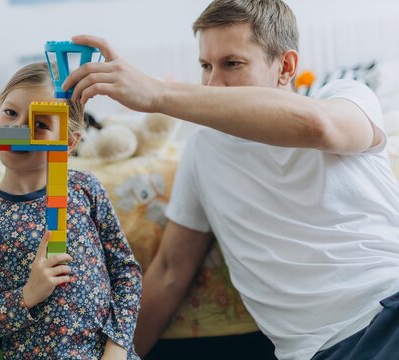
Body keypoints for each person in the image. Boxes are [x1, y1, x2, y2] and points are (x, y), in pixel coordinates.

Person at [62, 0, 399, 359]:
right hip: (319, 352)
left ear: (286, 67)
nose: (211, 83)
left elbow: (320, 127)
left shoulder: (345, 97)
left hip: (389, 309)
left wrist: (157, 94)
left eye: (232, 64)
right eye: (205, 66)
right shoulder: (202, 151)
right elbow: (170, 272)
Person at [0, 62, 142, 359]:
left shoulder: (85, 189)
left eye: (40, 124)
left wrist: (117, 347)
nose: (17, 130)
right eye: (11, 113)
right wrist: (26, 296)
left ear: (68, 141)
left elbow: (126, 272)